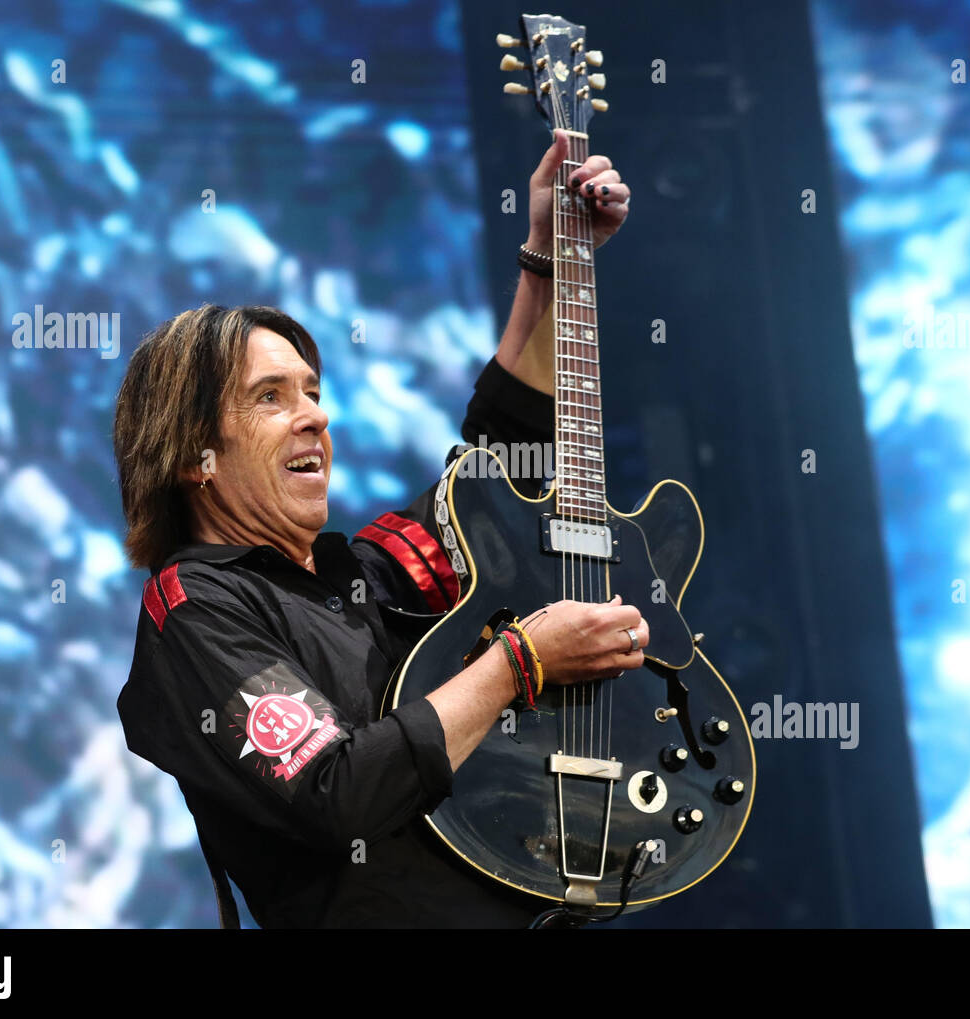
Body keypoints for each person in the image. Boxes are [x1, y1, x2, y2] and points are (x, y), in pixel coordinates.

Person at [113, 130, 647, 928]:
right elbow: (336, 792)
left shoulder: (368, 572)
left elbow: (504, 469)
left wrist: (550, 257)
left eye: (314, 391)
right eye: (272, 397)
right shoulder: (193, 608)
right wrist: (523, 660)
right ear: (195, 455)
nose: (315, 415)